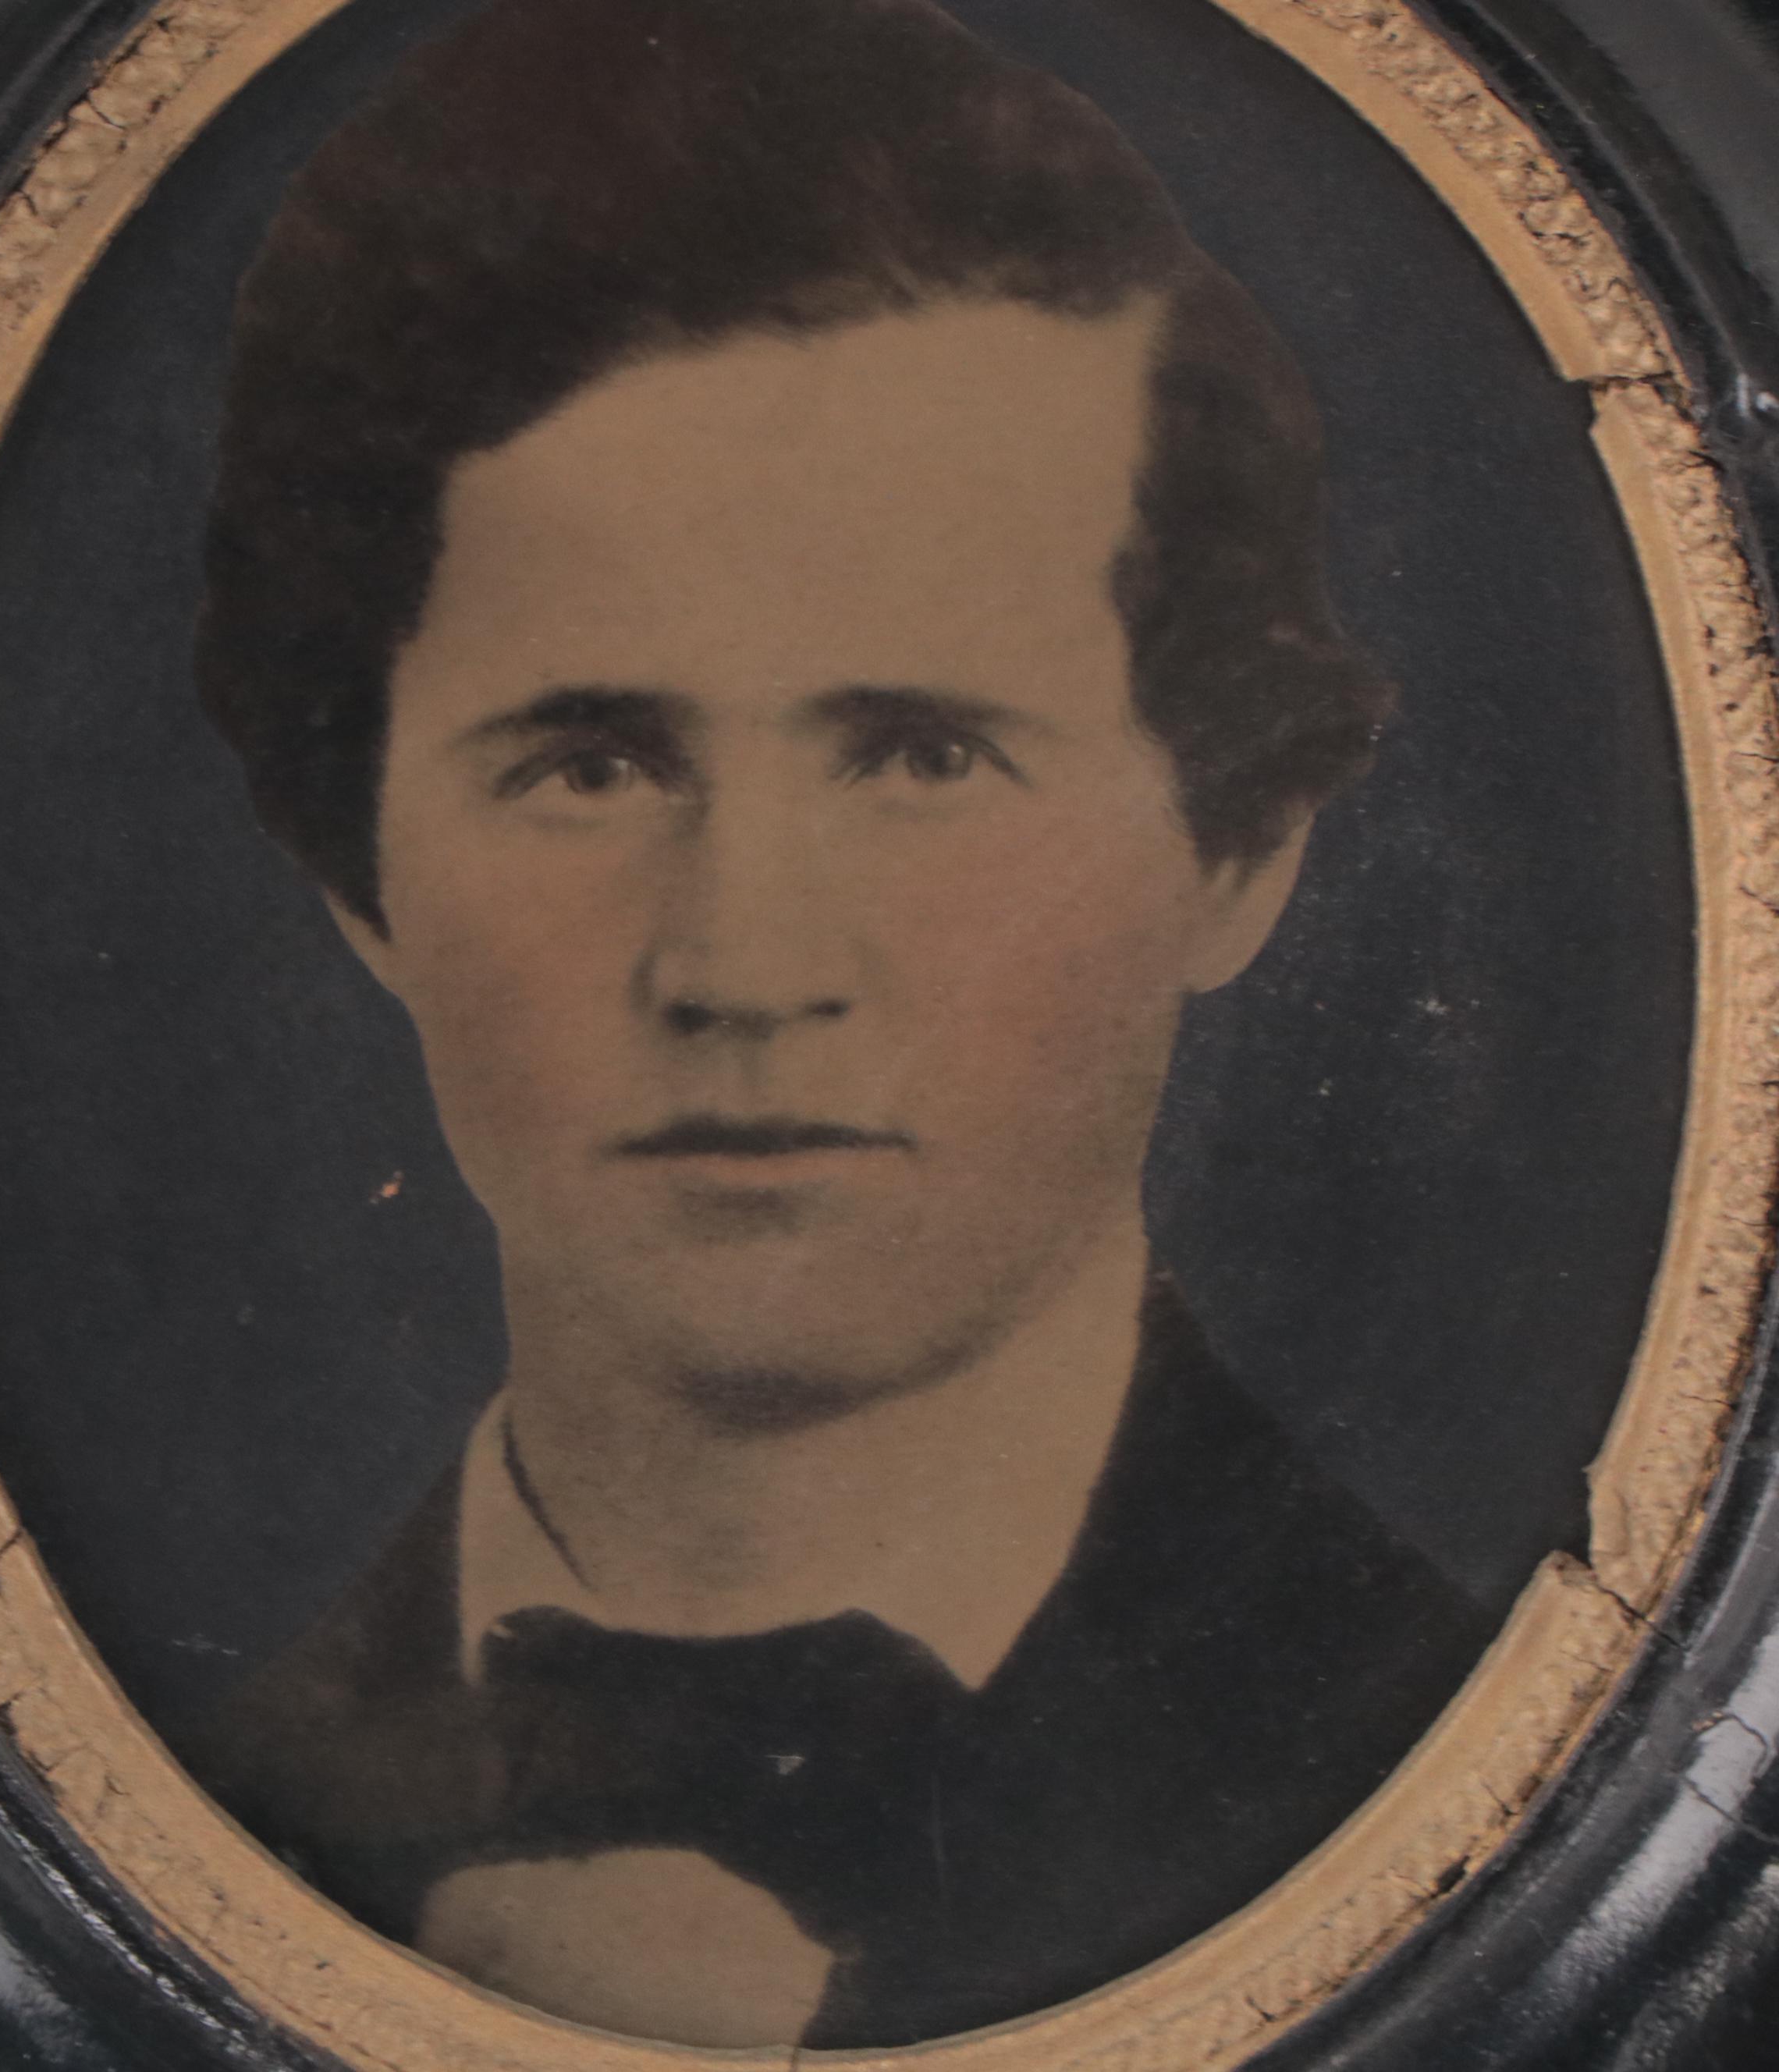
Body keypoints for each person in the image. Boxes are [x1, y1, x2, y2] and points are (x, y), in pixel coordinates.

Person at [183, 0, 1496, 2047]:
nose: (740, 965)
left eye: (920, 756)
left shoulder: (1484, 1756)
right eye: (591, 764)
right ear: (359, 870)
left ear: (1237, 848)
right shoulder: (161, 1788)